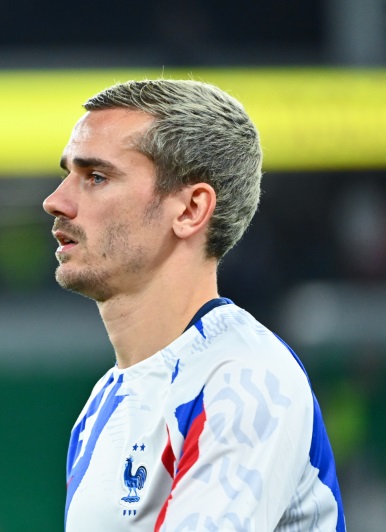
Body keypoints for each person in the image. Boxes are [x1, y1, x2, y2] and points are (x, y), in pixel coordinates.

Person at [42, 79, 346, 531]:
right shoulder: (102, 404)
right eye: (68, 174)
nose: (55, 201)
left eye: (97, 177)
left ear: (189, 210)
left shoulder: (246, 377)